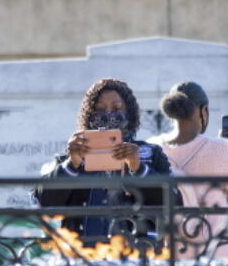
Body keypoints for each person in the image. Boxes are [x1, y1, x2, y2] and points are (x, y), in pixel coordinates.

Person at [34, 77, 174, 244]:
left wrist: (138, 168)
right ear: (89, 116)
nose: (108, 115)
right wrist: (72, 166)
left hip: (138, 255)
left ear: (129, 114)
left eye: (116, 108)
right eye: (100, 109)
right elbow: (44, 205)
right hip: (82, 257)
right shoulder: (71, 157)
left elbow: (173, 202)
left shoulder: (151, 154)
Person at [147, 81, 228, 261]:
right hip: (215, 256)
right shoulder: (220, 149)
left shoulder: (152, 147)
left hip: (168, 258)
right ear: (203, 111)